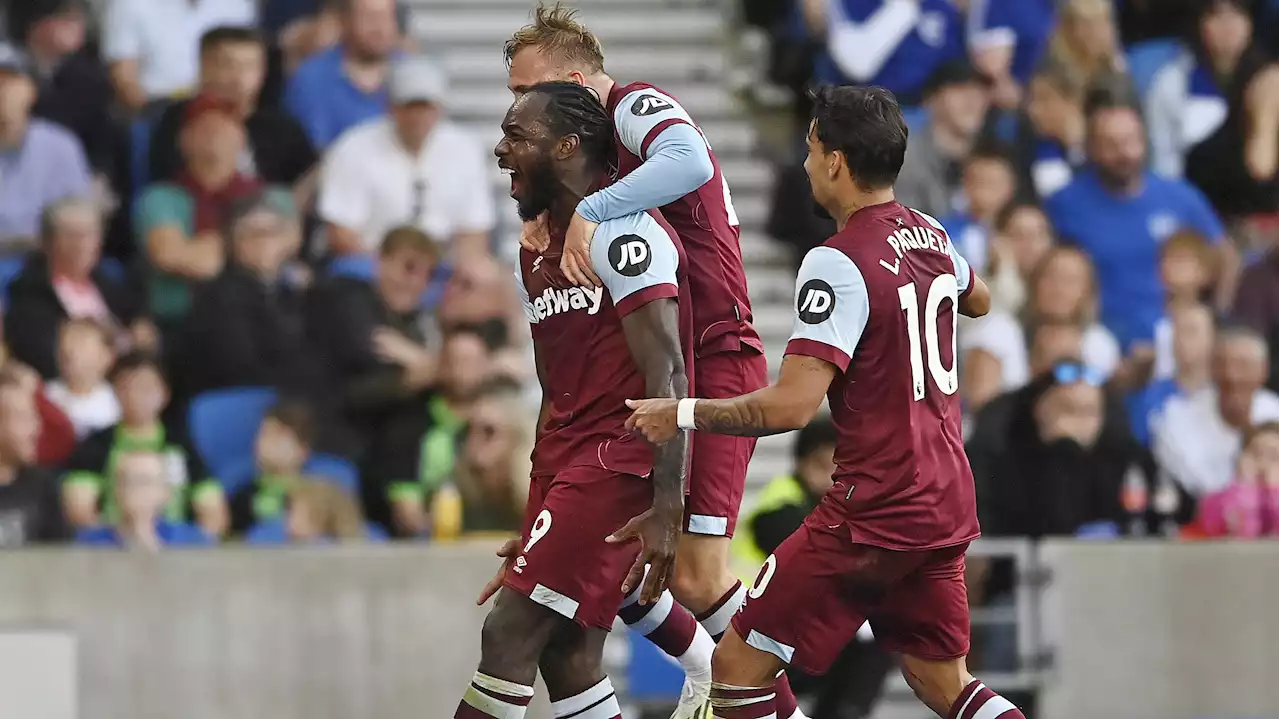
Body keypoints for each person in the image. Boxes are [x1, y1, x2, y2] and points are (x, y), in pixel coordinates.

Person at [627, 85, 1029, 719]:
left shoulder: (837, 261)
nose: (807, 163)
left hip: (874, 507)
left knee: (734, 670)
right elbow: (977, 298)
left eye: (812, 150)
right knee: (942, 684)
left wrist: (681, 411)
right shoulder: (931, 235)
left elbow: (788, 409)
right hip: (945, 498)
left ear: (837, 161)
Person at [503, 7, 788, 715]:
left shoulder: (634, 104)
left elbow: (688, 159)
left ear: (572, 82)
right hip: (669, 353)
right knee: (616, 554)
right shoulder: (598, 155)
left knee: (693, 575)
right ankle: (702, 670)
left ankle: (782, 707)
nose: (517, 111)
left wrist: (594, 207)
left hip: (714, 353)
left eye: (525, 92)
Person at [454, 81, 705, 719]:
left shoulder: (626, 233)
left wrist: (667, 500)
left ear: (567, 145)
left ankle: (714, 671)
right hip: (569, 460)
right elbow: (555, 384)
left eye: (517, 135)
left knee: (508, 634)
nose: (501, 149)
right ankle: (708, 666)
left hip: (617, 461)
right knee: (566, 654)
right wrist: (539, 504)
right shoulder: (537, 244)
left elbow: (668, 376)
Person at [318, 55, 495, 258]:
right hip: (371, 262)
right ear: (391, 107)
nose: (417, 116)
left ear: (439, 109)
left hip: (443, 266)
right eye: (409, 107)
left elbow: (474, 231)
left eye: (425, 107)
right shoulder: (353, 147)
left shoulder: (465, 150)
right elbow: (341, 232)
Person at [75, 449, 214, 549]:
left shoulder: (194, 540)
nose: (139, 491)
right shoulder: (88, 543)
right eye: (129, 482)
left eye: (145, 482)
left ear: (166, 492)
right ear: (116, 491)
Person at [0, 368, 71, 546]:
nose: (36, 429)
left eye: (35, 417)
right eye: (24, 418)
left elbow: (62, 561)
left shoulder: (42, 486)